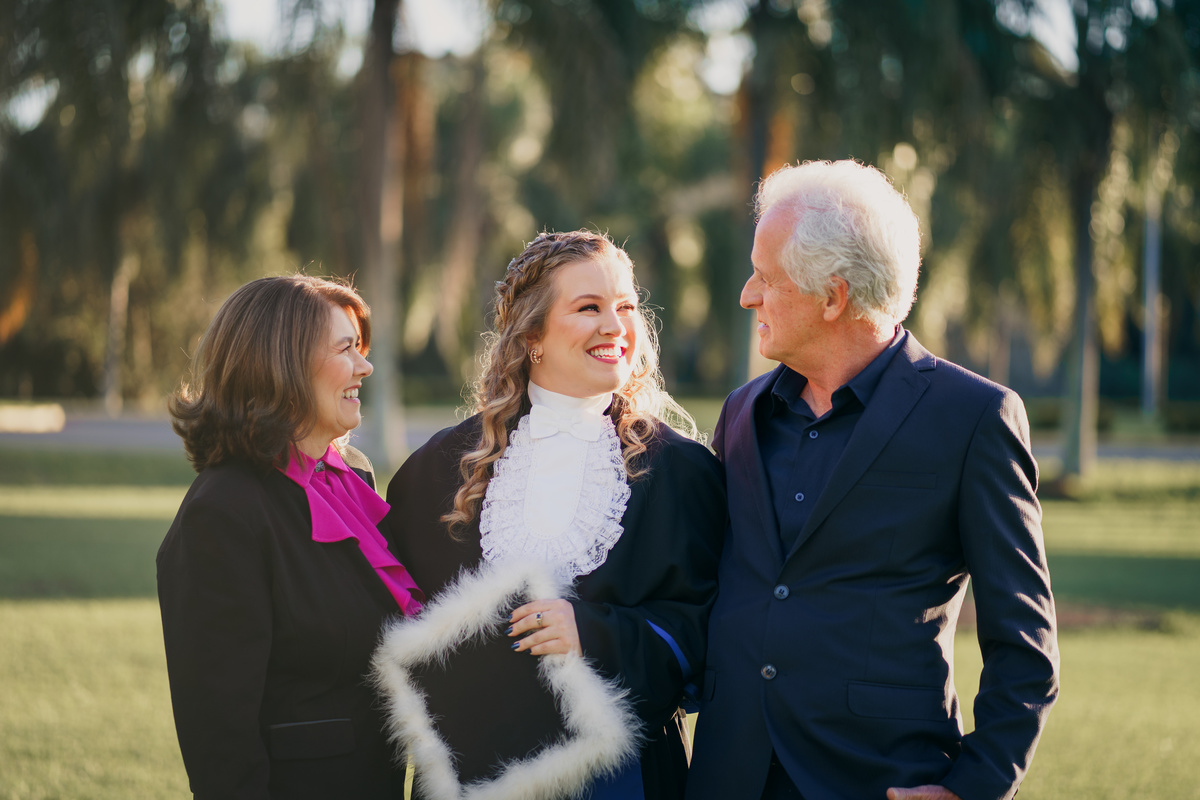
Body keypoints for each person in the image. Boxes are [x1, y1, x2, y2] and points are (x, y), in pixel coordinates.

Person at [685, 161, 1060, 800]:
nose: (748, 295)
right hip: (728, 776)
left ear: (833, 297)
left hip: (878, 778)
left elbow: (1024, 639)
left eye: (767, 279)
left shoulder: (974, 418)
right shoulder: (742, 413)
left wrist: (972, 786)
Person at [377, 231, 726, 800]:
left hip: (622, 779)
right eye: (589, 308)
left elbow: (713, 631)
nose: (615, 326)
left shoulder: (682, 471)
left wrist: (594, 632)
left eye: (626, 306)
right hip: (471, 778)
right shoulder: (437, 469)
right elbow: (395, 624)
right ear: (532, 336)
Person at [157, 275, 424, 799]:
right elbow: (219, 739)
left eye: (361, 348)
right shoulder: (223, 511)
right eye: (346, 349)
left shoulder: (353, 475)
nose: (365, 367)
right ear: (283, 364)